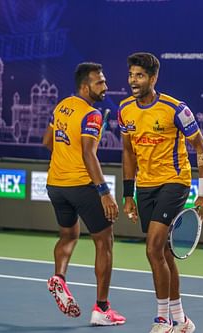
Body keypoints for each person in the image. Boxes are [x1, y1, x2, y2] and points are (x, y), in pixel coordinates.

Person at [118, 52, 203, 333]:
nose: (134, 81)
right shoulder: (125, 110)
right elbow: (127, 151)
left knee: (153, 248)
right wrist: (128, 194)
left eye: (140, 76)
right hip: (145, 186)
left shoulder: (175, 109)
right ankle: (182, 320)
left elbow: (201, 148)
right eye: (131, 75)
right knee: (165, 253)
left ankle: (162, 320)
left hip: (174, 181)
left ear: (153, 78)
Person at [42, 62, 126, 326]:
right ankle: (102, 309)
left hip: (55, 185)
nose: (105, 86)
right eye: (99, 82)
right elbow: (88, 153)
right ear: (84, 85)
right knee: (105, 241)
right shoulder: (92, 114)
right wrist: (104, 192)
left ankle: (59, 278)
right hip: (81, 185)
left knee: (69, 234)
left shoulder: (61, 107)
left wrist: (64, 162)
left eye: (104, 81)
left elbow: (47, 142)